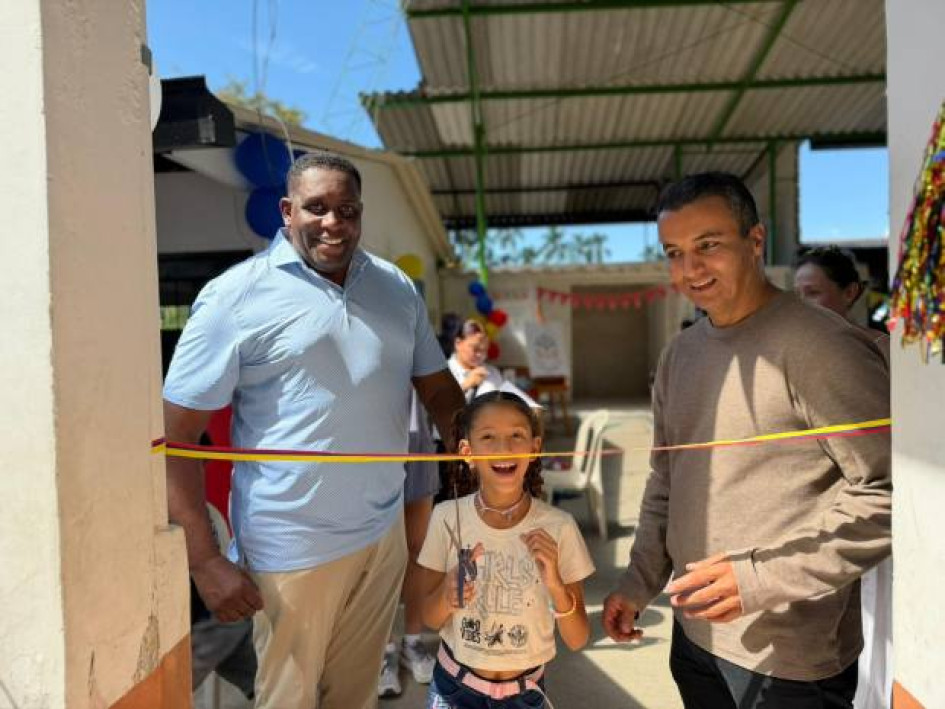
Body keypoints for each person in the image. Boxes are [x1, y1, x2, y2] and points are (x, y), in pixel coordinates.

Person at [163, 150, 465, 709]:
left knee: (354, 699)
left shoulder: (396, 286)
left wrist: (480, 436)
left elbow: (438, 387)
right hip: (290, 551)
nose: (333, 223)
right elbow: (174, 438)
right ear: (286, 211)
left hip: (381, 538)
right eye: (316, 208)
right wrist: (204, 562)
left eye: (346, 210)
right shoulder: (235, 296)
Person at [603, 172, 891, 709]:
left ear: (755, 241)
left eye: (708, 245)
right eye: (675, 252)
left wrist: (760, 579)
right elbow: (667, 481)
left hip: (790, 658)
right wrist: (638, 581)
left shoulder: (821, 347)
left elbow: (891, 493)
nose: (691, 269)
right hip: (695, 639)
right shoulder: (680, 355)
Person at [419, 391, 594, 708]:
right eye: (488, 437)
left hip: (525, 695)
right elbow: (429, 618)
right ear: (467, 452)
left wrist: (556, 585)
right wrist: (447, 596)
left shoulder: (560, 527)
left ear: (534, 447)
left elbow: (577, 638)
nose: (504, 447)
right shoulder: (446, 518)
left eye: (517, 435)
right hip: (453, 691)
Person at [794, 246, 892, 709]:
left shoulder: (884, 351)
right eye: (796, 296)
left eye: (813, 293)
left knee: (873, 630)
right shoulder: (793, 357)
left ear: (850, 293)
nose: (802, 306)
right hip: (813, 521)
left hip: (867, 517)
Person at [378, 391, 440, 698]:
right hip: (370, 446)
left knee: (418, 551)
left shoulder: (420, 340)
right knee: (380, 557)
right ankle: (383, 648)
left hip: (418, 444)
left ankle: (413, 640)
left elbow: (439, 387)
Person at [448, 319, 539, 407]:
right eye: (475, 349)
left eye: (484, 350)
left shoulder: (492, 372)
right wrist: (466, 385)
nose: (480, 355)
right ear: (458, 343)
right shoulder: (443, 371)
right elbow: (437, 408)